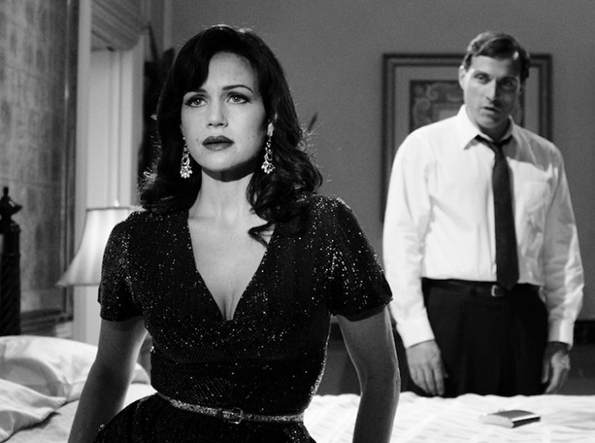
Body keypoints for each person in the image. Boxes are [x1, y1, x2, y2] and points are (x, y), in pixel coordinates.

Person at [69, 24, 399, 443]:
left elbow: (381, 375)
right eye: (196, 99)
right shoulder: (137, 239)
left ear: (270, 117)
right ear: (180, 122)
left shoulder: (325, 229)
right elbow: (108, 371)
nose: (215, 117)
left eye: (236, 97)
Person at [383, 31, 584, 398]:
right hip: (449, 318)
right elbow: (401, 249)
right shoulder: (424, 148)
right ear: (463, 76)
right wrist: (416, 337)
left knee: (525, 426)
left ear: (520, 88)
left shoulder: (545, 157)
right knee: (440, 427)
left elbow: (562, 256)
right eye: (482, 78)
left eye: (506, 83)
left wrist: (560, 339)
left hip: (524, 319)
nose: (493, 94)